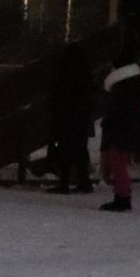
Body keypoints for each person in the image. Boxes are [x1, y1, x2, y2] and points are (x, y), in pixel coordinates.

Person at [98, 43, 140, 213]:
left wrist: (109, 124)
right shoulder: (132, 87)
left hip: (120, 131)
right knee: (119, 164)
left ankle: (123, 198)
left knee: (118, 164)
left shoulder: (122, 89)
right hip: (127, 131)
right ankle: (122, 196)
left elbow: (117, 111)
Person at [45, 44, 96, 194]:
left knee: (65, 150)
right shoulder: (85, 72)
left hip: (65, 117)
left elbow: (57, 94)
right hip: (81, 117)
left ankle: (64, 182)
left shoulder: (64, 71)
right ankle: (84, 181)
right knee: (80, 150)